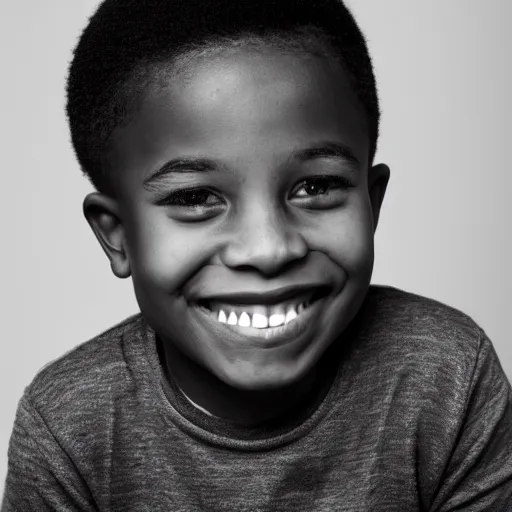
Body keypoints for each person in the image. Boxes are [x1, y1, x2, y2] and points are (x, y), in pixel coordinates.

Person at [2, 0, 512, 510]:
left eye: (316, 186)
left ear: (371, 202)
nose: (268, 249)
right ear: (117, 235)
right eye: (196, 198)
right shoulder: (69, 429)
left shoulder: (447, 377)